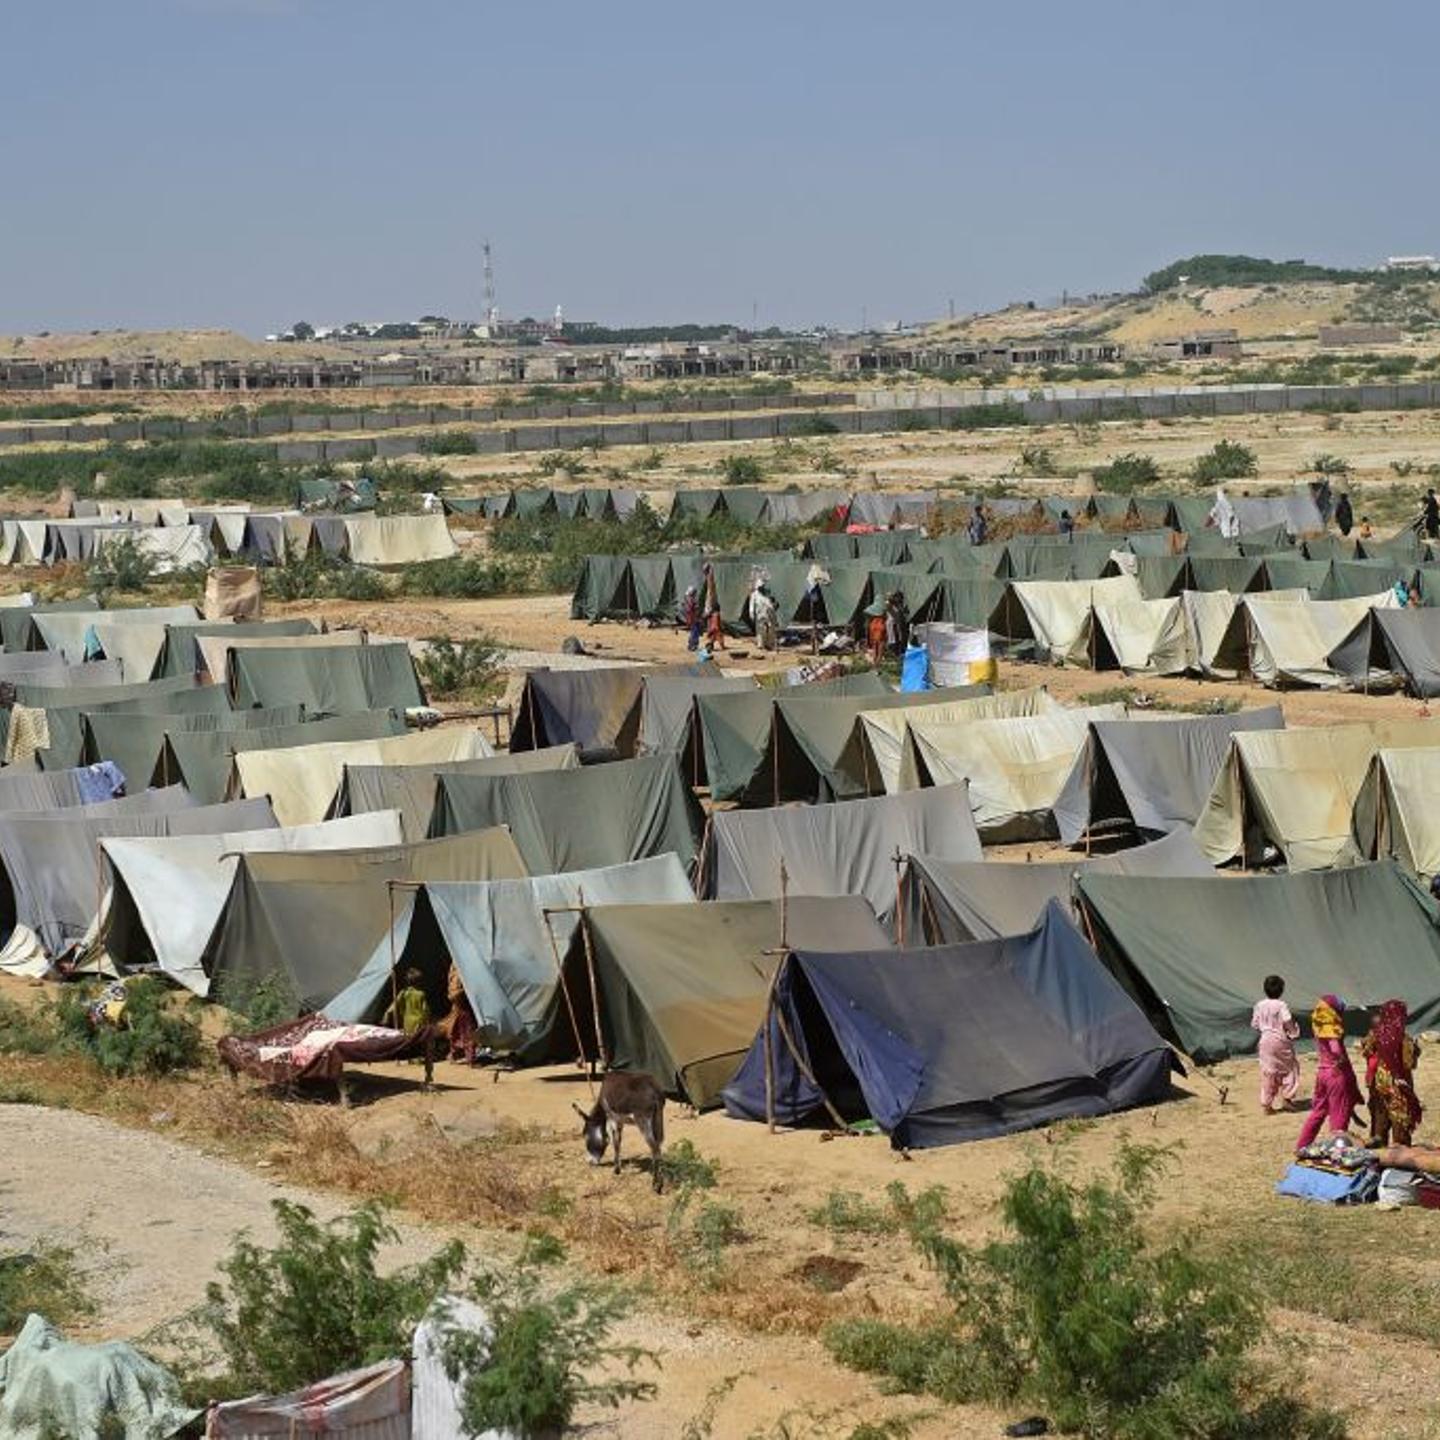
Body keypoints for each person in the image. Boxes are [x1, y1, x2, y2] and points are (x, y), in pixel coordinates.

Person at [1296, 994, 1363, 1151]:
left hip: (1322, 1073)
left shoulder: (1319, 1024)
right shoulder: (1331, 1027)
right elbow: (1335, 1048)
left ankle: (1302, 1145)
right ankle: (1337, 1151)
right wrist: (1340, 1059)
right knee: (1339, 1117)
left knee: (1318, 1111)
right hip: (1336, 1075)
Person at [1362, 999, 1423, 1146]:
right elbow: (1409, 1063)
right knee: (1400, 1120)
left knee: (1380, 1118)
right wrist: (1417, 1051)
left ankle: (1379, 1155)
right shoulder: (1404, 1039)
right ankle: (1400, 1156)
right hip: (1399, 1083)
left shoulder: (1374, 1034)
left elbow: (1367, 1052)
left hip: (1379, 1081)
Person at [1251, 974, 1300, 1114]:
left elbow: (1254, 1024)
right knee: (1290, 1068)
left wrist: (1265, 1027)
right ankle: (1287, 1099)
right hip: (1281, 1041)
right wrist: (1293, 1032)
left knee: (1269, 1071)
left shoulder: (1259, 1005)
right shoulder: (1281, 1005)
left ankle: (1267, 1104)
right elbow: (1287, 1020)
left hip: (1265, 1041)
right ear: (1281, 990)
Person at [442, 962, 477, 1065]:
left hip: (462, 1004)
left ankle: (466, 1057)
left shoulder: (459, 964)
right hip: (460, 1004)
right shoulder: (457, 966)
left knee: (462, 1031)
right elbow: (454, 990)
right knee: (462, 1031)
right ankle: (464, 1056)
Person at [383, 966, 432, 1036]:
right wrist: (427, 1023)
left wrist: (386, 1015)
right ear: (419, 982)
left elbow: (393, 1006)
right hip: (418, 1024)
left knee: (408, 1038)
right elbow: (425, 1011)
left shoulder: (403, 993)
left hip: (407, 1023)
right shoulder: (421, 994)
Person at [700, 562, 726, 652]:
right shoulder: (709, 583)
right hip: (711, 610)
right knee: (713, 629)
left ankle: (718, 644)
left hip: (713, 610)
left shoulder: (710, 584)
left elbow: (711, 591)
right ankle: (713, 643)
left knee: (715, 629)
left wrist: (709, 611)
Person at [749, 583, 778, 651]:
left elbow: (773, 603)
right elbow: (751, 605)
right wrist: (751, 614)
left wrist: (774, 607)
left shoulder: (768, 593)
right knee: (761, 630)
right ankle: (761, 644)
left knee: (771, 629)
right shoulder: (754, 595)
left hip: (769, 613)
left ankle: (769, 644)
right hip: (760, 614)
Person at [864, 600, 888, 665]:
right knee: (879, 653)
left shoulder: (873, 622)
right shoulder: (880, 621)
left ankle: (875, 664)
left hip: (875, 639)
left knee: (876, 652)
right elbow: (883, 632)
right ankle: (877, 665)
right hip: (880, 638)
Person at [681, 584, 701, 651]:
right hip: (693, 618)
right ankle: (693, 645)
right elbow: (692, 609)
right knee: (694, 632)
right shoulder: (691, 600)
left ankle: (691, 645)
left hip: (691, 618)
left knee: (693, 632)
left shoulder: (687, 600)